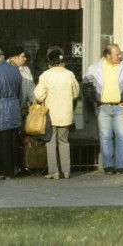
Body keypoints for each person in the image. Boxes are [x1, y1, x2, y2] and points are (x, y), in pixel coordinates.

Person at [82, 44, 123, 175]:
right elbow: (85, 86)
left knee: (122, 136)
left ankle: (122, 166)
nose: (120, 56)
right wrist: (94, 102)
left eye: (119, 53)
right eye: (117, 54)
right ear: (108, 56)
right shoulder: (94, 68)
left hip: (120, 107)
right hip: (103, 108)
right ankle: (108, 166)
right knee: (105, 136)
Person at [34, 47, 79, 179]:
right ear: (62, 61)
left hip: (51, 115)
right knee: (64, 142)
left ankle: (53, 171)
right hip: (66, 115)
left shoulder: (45, 75)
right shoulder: (69, 74)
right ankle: (66, 171)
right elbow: (76, 93)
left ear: (49, 62)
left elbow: (38, 95)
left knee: (51, 142)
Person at [0, 46, 22, 179]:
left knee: (1, 143)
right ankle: (12, 170)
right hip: (14, 108)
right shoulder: (15, 70)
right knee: (12, 142)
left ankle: (3, 171)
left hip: (0, 111)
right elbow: (19, 91)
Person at [7, 45, 35, 175]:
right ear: (14, 57)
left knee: (20, 140)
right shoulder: (4, 68)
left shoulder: (25, 70)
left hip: (22, 110)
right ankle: (10, 167)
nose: (25, 59)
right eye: (23, 56)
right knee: (9, 140)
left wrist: (34, 104)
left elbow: (30, 89)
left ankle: (20, 166)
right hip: (8, 112)